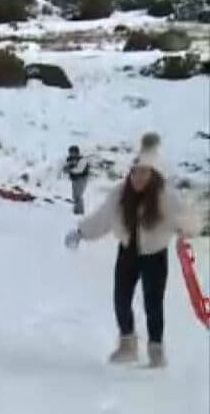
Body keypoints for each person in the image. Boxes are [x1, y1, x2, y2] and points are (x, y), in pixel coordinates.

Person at [65, 134, 195, 368]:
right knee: (121, 299)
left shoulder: (165, 196)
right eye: (135, 172)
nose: (138, 177)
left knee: (153, 303)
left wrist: (186, 228)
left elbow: (186, 218)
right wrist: (81, 232)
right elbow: (103, 219)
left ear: (152, 174)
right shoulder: (119, 194)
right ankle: (128, 344)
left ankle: (156, 349)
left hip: (155, 255)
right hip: (128, 253)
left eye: (144, 172)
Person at [63, 145, 90, 215]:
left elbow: (79, 170)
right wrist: (66, 169)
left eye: (72, 152)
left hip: (82, 179)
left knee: (78, 195)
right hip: (74, 179)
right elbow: (66, 167)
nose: (71, 154)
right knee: (75, 195)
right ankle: (76, 210)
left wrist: (69, 170)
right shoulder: (69, 159)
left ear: (76, 152)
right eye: (70, 152)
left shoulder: (82, 160)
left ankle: (80, 211)